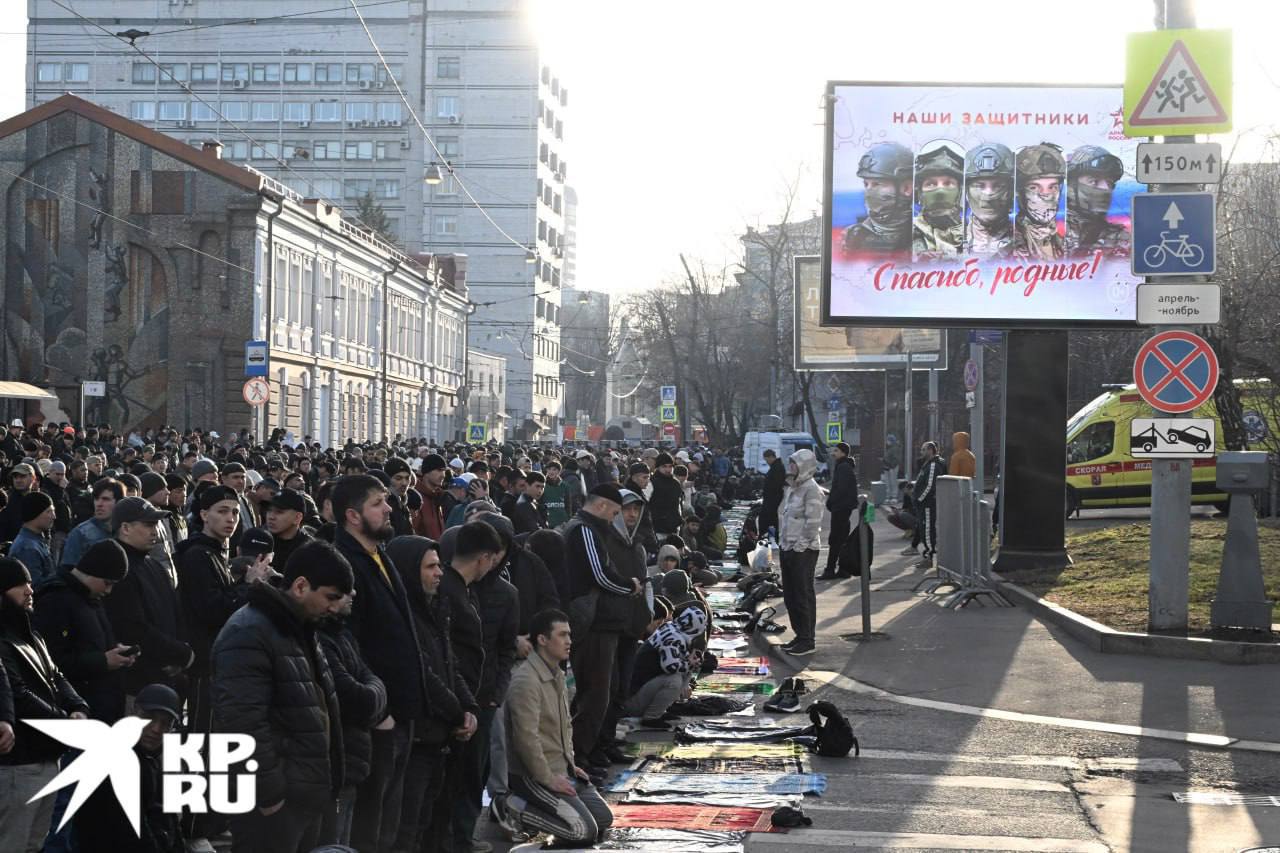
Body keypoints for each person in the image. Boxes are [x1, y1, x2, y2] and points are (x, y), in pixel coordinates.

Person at [212, 540, 348, 853]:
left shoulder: (298, 624)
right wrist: (271, 795)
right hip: (272, 806)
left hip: (300, 795)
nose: (334, 607)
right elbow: (242, 723)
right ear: (301, 586)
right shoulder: (249, 631)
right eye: (330, 597)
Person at [331, 474, 427, 853]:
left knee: (391, 820)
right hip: (376, 719)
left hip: (400, 712)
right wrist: (378, 710)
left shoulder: (379, 554)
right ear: (353, 516)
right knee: (370, 824)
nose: (389, 508)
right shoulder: (345, 565)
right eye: (378, 503)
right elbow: (349, 647)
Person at [386, 535, 478, 853]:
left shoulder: (435, 608)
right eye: (431, 567)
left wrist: (469, 709)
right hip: (417, 739)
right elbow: (423, 673)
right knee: (406, 831)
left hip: (440, 737)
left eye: (439, 565)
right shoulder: (402, 616)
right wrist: (457, 713)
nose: (439, 573)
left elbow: (449, 665)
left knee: (428, 825)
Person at [0, 557, 90, 852]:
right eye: (19, 585)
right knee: (13, 842)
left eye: (28, 583)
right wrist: (64, 721)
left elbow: (56, 675)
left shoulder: (31, 634)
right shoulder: (4, 640)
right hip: (19, 763)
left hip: (46, 756)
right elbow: (18, 692)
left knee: (34, 844)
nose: (29, 590)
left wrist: (77, 705)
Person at [504, 609, 614, 846]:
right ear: (542, 640)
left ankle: (541, 814)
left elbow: (563, 727)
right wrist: (548, 778)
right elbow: (526, 739)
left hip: (561, 768)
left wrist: (571, 765)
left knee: (603, 819)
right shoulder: (526, 680)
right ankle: (514, 808)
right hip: (533, 775)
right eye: (562, 635)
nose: (569, 641)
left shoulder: (557, 674)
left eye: (569, 635)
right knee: (582, 832)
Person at [435, 521, 505, 851]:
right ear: (484, 557)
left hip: (469, 700)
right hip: (453, 704)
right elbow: (446, 656)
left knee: (466, 777)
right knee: (452, 785)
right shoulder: (448, 590)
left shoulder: (463, 588)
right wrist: (461, 704)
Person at [562, 484, 640, 779]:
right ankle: (578, 759)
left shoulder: (593, 529)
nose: (616, 518)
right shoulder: (584, 530)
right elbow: (598, 574)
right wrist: (628, 586)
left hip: (602, 622)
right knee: (593, 696)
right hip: (592, 623)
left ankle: (590, 752)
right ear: (602, 506)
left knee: (602, 693)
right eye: (616, 512)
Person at [316, 573, 388, 848]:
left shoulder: (342, 635)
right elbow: (358, 697)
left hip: (352, 760)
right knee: (332, 841)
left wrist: (373, 693)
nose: (353, 596)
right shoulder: (323, 639)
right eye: (341, 592)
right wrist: (374, 696)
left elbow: (371, 681)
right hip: (336, 761)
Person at [73, 683, 185, 853]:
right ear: (134, 713)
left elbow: (167, 817)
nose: (156, 729)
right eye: (149, 718)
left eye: (165, 724)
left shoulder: (153, 759)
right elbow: (130, 831)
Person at [32, 540, 134, 722]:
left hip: (102, 706)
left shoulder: (90, 598)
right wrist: (102, 661)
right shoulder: (55, 600)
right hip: (78, 711)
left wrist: (117, 653)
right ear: (93, 571)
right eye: (107, 583)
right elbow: (51, 663)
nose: (109, 590)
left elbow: (93, 642)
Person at [104, 497, 193, 698]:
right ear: (125, 528)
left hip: (165, 678)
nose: (155, 531)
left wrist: (178, 655)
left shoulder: (153, 565)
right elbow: (131, 628)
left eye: (156, 524)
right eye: (148, 525)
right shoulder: (117, 568)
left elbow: (175, 613)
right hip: (137, 684)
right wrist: (179, 654)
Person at [626, 604, 707, 726]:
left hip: (639, 691)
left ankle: (660, 710)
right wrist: (689, 663)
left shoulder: (672, 629)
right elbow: (670, 667)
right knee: (674, 680)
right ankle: (651, 717)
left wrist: (690, 661)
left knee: (684, 673)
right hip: (632, 700)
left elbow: (676, 660)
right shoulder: (674, 637)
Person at [777, 450, 824, 657]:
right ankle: (799, 635)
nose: (791, 467)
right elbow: (787, 518)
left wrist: (799, 547)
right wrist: (783, 543)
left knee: (803, 594)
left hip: (803, 550)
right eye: (791, 463)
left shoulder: (812, 490)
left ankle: (807, 639)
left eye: (795, 464)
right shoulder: (794, 488)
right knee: (790, 595)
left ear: (804, 466)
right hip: (788, 547)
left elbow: (812, 524)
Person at [842, 141, 914, 258]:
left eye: (876, 184)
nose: (869, 192)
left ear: (907, 188)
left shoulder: (926, 237)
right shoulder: (850, 237)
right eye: (866, 184)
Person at [1065, 145, 1130, 258]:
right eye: (1094, 181)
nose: (1106, 189)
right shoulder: (1047, 235)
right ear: (1071, 185)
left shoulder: (1120, 240)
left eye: (1110, 183)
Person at [911, 141, 966, 260]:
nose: (940, 191)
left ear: (959, 192)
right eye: (930, 184)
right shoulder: (903, 235)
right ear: (919, 193)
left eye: (948, 183)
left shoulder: (975, 235)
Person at [1013, 143, 1066, 260]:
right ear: (1020, 193)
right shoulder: (1009, 249)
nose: (1046, 195)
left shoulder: (1064, 245)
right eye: (1034, 187)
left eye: (1052, 187)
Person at [963, 143, 1016, 259]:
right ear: (966, 193)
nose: (988, 195)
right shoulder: (949, 241)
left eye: (998, 186)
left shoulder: (1028, 243)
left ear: (1011, 192)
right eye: (980, 186)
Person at [819, 442, 860, 581]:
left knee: (835, 539)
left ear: (843, 452)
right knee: (841, 539)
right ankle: (843, 569)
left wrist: (831, 502)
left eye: (836, 451)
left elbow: (840, 490)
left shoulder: (843, 467)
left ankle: (830, 570)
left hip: (841, 508)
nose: (833, 453)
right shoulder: (844, 466)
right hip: (844, 507)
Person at [8, 492, 56, 587]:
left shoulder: (36, 541)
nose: (54, 516)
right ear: (35, 514)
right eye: (49, 511)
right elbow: (36, 588)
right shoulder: (28, 548)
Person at [913, 441, 947, 567]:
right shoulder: (927, 464)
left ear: (931, 450)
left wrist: (920, 499)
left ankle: (928, 557)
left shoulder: (933, 465)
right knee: (924, 529)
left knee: (927, 530)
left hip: (927, 504)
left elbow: (930, 485)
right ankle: (927, 556)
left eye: (923, 449)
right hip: (924, 504)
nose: (921, 452)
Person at [265, 488, 314, 571]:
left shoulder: (310, 549)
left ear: (297, 517)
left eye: (279, 512)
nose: (271, 517)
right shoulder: (258, 539)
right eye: (269, 511)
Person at [412, 453, 450, 539]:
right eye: (439, 470)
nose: (443, 475)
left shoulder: (438, 497)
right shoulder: (415, 498)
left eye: (444, 471)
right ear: (427, 472)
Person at [647, 454, 683, 539]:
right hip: (657, 529)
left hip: (674, 528)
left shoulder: (675, 483)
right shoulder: (651, 483)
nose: (668, 469)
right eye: (664, 466)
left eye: (670, 466)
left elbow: (678, 505)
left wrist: (678, 521)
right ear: (658, 467)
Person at [759, 449, 786, 537]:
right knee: (770, 518)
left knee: (770, 518)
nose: (766, 462)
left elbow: (776, 484)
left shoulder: (777, 467)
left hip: (773, 497)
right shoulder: (776, 466)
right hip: (772, 496)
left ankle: (771, 536)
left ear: (771, 457)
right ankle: (770, 536)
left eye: (766, 459)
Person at [511, 470, 548, 534]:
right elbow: (535, 531)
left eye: (542, 487)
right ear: (527, 485)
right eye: (537, 486)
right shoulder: (523, 505)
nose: (540, 491)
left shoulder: (532, 501)